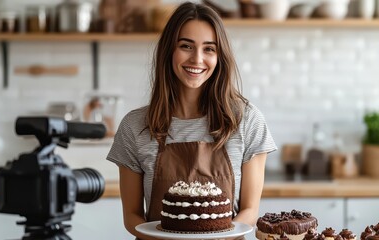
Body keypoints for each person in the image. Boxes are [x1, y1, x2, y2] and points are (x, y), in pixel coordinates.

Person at [106, 2, 277, 239]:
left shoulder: (246, 120)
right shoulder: (134, 126)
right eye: (186, 46)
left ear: (220, 56)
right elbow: (132, 217)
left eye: (209, 49)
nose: (197, 59)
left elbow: (250, 211)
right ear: (169, 50)